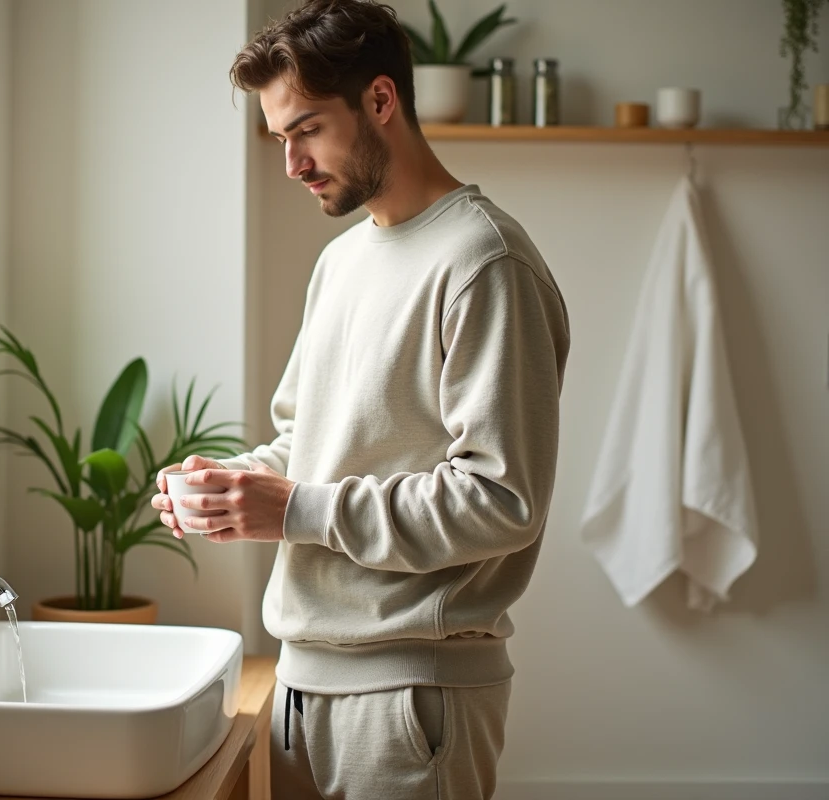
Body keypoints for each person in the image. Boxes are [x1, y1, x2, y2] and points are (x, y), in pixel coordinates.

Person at [151, 1, 570, 797]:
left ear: (381, 101)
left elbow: (502, 499)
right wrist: (229, 489)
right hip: (301, 686)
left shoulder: (485, 262)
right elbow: (305, 448)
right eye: (280, 139)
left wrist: (294, 509)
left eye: (306, 129)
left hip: (413, 696)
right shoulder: (342, 262)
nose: (292, 164)